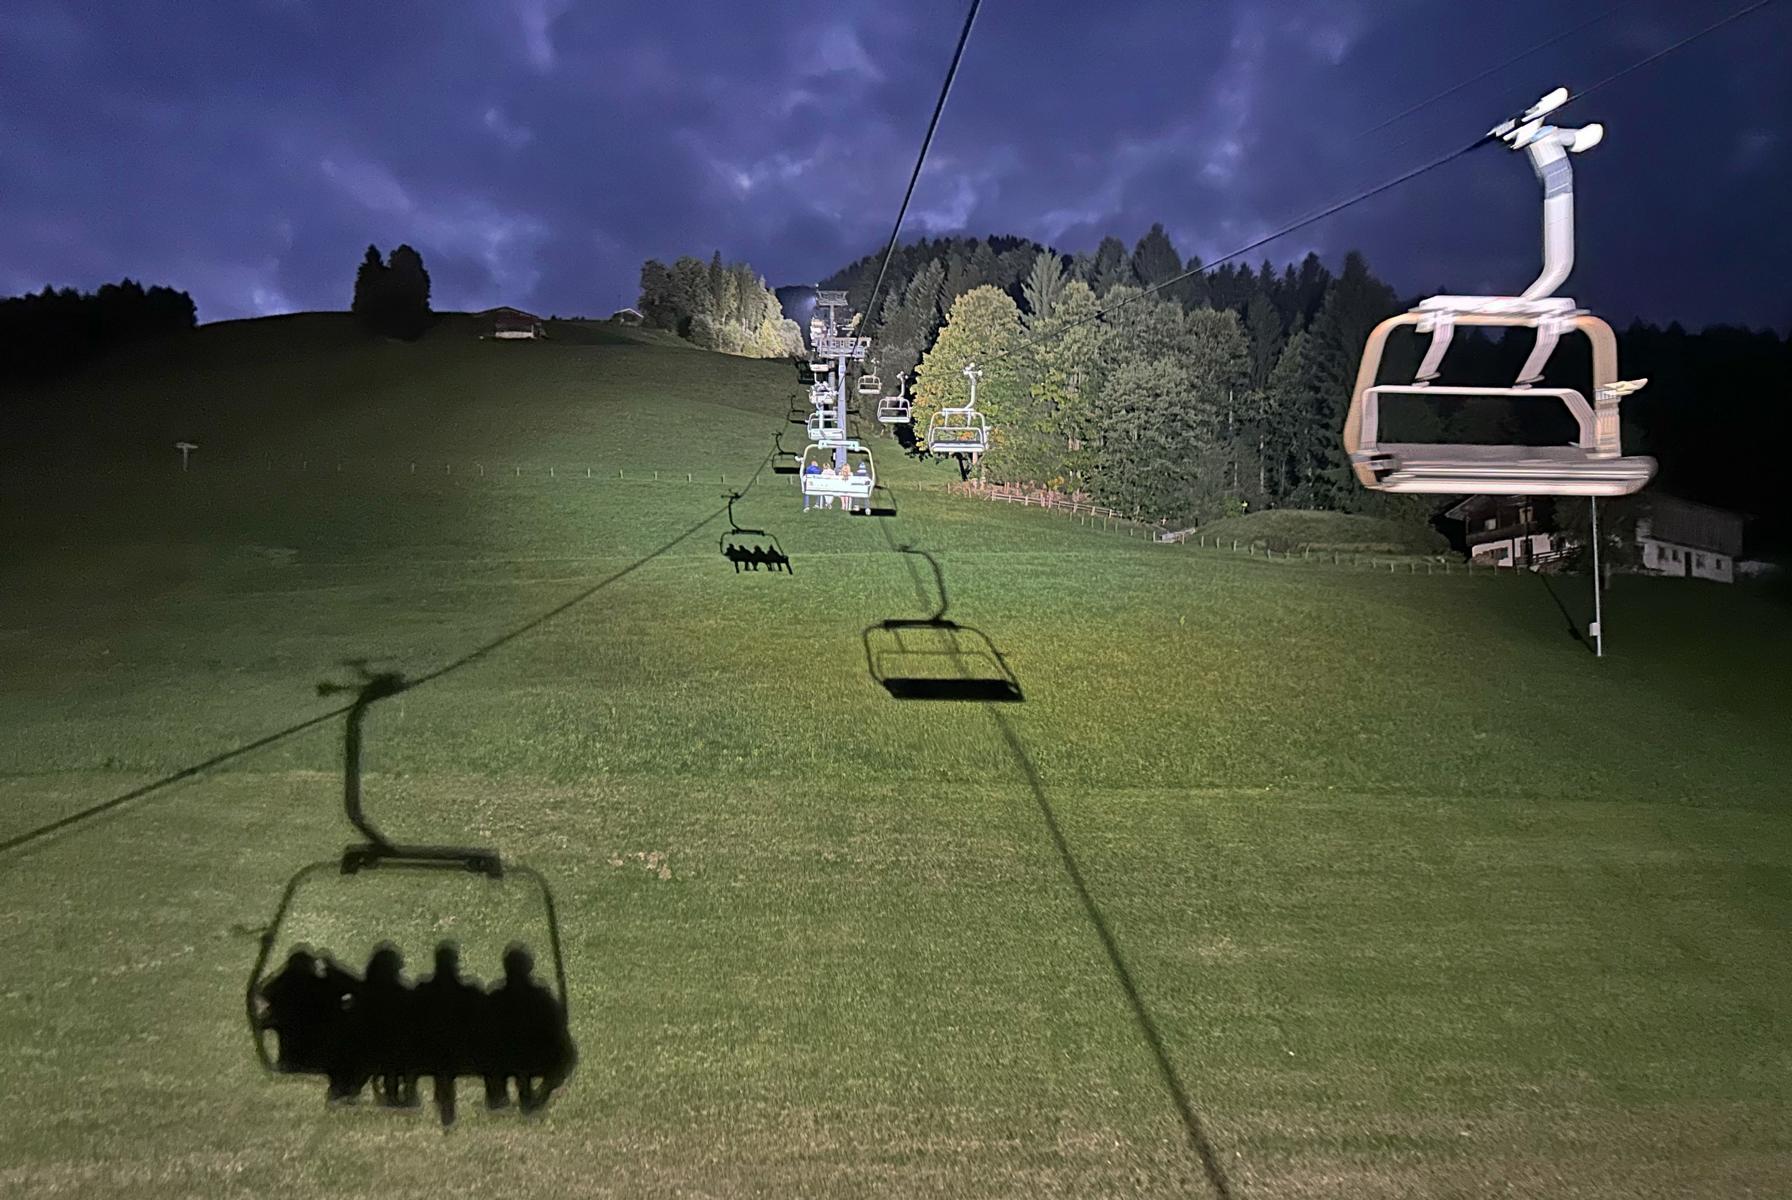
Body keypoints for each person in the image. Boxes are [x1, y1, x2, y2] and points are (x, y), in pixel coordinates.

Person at [413, 942, 485, 1127]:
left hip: (428, 1053)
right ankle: (447, 1114)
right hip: (464, 1053)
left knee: (441, 1055)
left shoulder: (423, 991)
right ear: (456, 964)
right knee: (446, 1054)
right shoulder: (469, 993)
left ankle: (446, 1112)